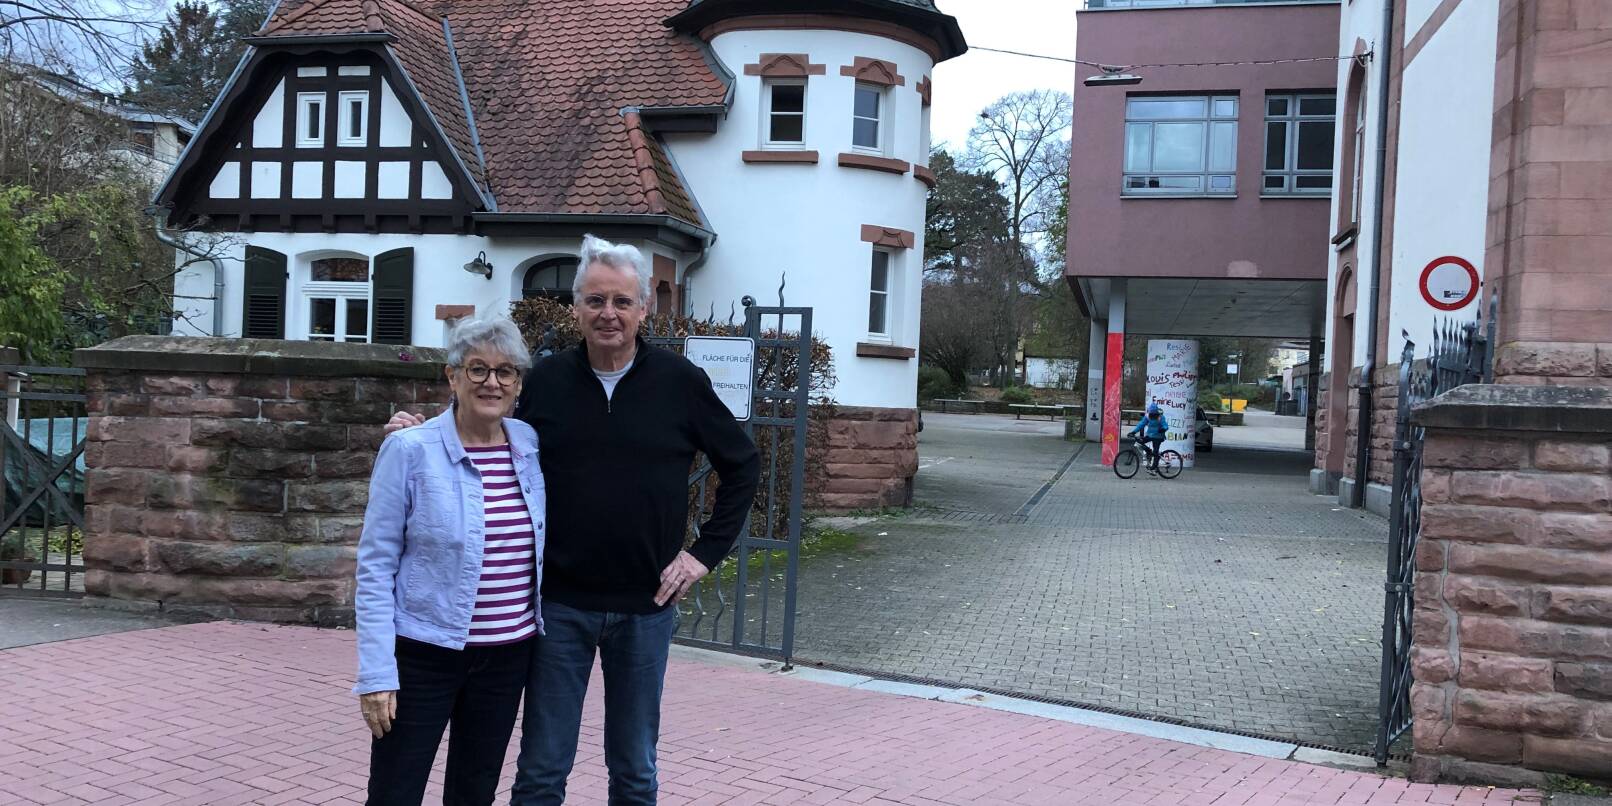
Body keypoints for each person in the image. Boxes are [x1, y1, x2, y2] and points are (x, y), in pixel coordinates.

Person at [386, 235, 761, 805]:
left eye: (620, 301)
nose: (607, 314)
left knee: (635, 769)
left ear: (643, 310)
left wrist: (701, 556)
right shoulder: (547, 382)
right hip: (558, 606)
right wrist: (417, 431)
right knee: (541, 769)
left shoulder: (679, 383)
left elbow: (743, 466)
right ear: (576, 307)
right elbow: (482, 423)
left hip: (647, 607)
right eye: (594, 300)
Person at [354, 313, 545, 806]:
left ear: (519, 383)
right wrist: (376, 673)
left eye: (506, 372)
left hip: (507, 654)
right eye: (477, 369)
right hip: (424, 652)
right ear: (452, 375)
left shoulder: (527, 445)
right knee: (396, 790)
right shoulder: (409, 450)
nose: (492, 382)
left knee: (474, 791)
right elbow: (376, 566)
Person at [1129, 403, 1169, 473]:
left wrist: (1163, 429)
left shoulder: (1161, 417)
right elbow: (1141, 424)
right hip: (1150, 435)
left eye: (1154, 415)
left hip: (1159, 436)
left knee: (1155, 451)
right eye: (1151, 414)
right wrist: (1133, 432)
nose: (1153, 416)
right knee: (1139, 442)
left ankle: (1154, 466)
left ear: (1156, 413)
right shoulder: (1147, 416)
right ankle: (1149, 452)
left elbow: (1165, 425)